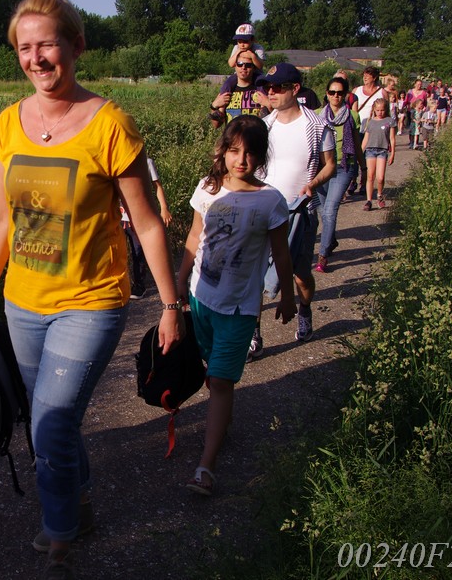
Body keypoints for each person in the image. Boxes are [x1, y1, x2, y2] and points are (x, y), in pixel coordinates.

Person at [0, 0, 184, 580]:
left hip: (91, 301)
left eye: (48, 45)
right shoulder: (9, 124)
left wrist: (170, 304)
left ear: (77, 46)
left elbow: (146, 223)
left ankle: (61, 534)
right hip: (22, 303)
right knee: (50, 419)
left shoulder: (110, 125)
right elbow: (1, 218)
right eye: (25, 48)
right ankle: (79, 501)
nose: (36, 58)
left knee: (52, 422)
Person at [176, 115, 296, 495]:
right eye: (233, 150)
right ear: (223, 151)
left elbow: (281, 253)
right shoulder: (207, 188)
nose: (241, 160)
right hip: (201, 298)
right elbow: (195, 236)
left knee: (221, 381)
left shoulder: (271, 201)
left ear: (261, 156)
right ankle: (221, 419)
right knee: (212, 374)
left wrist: (288, 295)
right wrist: (180, 280)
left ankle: (206, 466)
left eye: (250, 152)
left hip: (240, 309)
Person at [248, 63, 335, 357]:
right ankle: (254, 334)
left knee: (300, 275)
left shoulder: (318, 126)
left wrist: (313, 184)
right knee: (255, 275)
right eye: (267, 87)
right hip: (264, 210)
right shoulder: (264, 125)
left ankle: (305, 309)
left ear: (295, 89)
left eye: (277, 87)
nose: (270, 92)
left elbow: (331, 165)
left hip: (300, 212)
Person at [314, 77, 360, 272]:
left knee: (330, 210)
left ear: (346, 95)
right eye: (332, 92)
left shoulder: (353, 116)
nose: (335, 96)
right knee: (322, 211)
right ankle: (330, 241)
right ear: (326, 93)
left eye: (340, 93)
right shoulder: (317, 115)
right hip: (322, 168)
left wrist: (363, 168)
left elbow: (356, 143)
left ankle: (323, 255)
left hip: (344, 166)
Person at [121, 156, 172, 299]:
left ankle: (139, 285)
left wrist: (164, 208)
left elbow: (157, 186)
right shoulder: (115, 159)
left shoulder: (146, 162)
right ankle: (119, 285)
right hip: (118, 216)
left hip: (138, 218)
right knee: (118, 251)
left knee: (137, 251)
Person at [209, 49, 268, 129]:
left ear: (254, 68)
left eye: (248, 65)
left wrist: (269, 105)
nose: (243, 67)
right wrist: (214, 106)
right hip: (231, 136)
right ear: (235, 66)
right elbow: (216, 125)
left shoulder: (261, 92)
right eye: (240, 64)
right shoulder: (227, 91)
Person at [360, 98, 396, 210]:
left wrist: (393, 153)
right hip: (370, 150)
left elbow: (392, 138)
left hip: (382, 150)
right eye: (378, 110)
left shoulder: (389, 121)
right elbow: (365, 139)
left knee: (380, 177)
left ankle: (379, 195)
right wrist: (360, 153)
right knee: (370, 176)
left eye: (382, 110)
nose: (380, 112)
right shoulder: (368, 122)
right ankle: (369, 200)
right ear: (374, 110)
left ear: (386, 110)